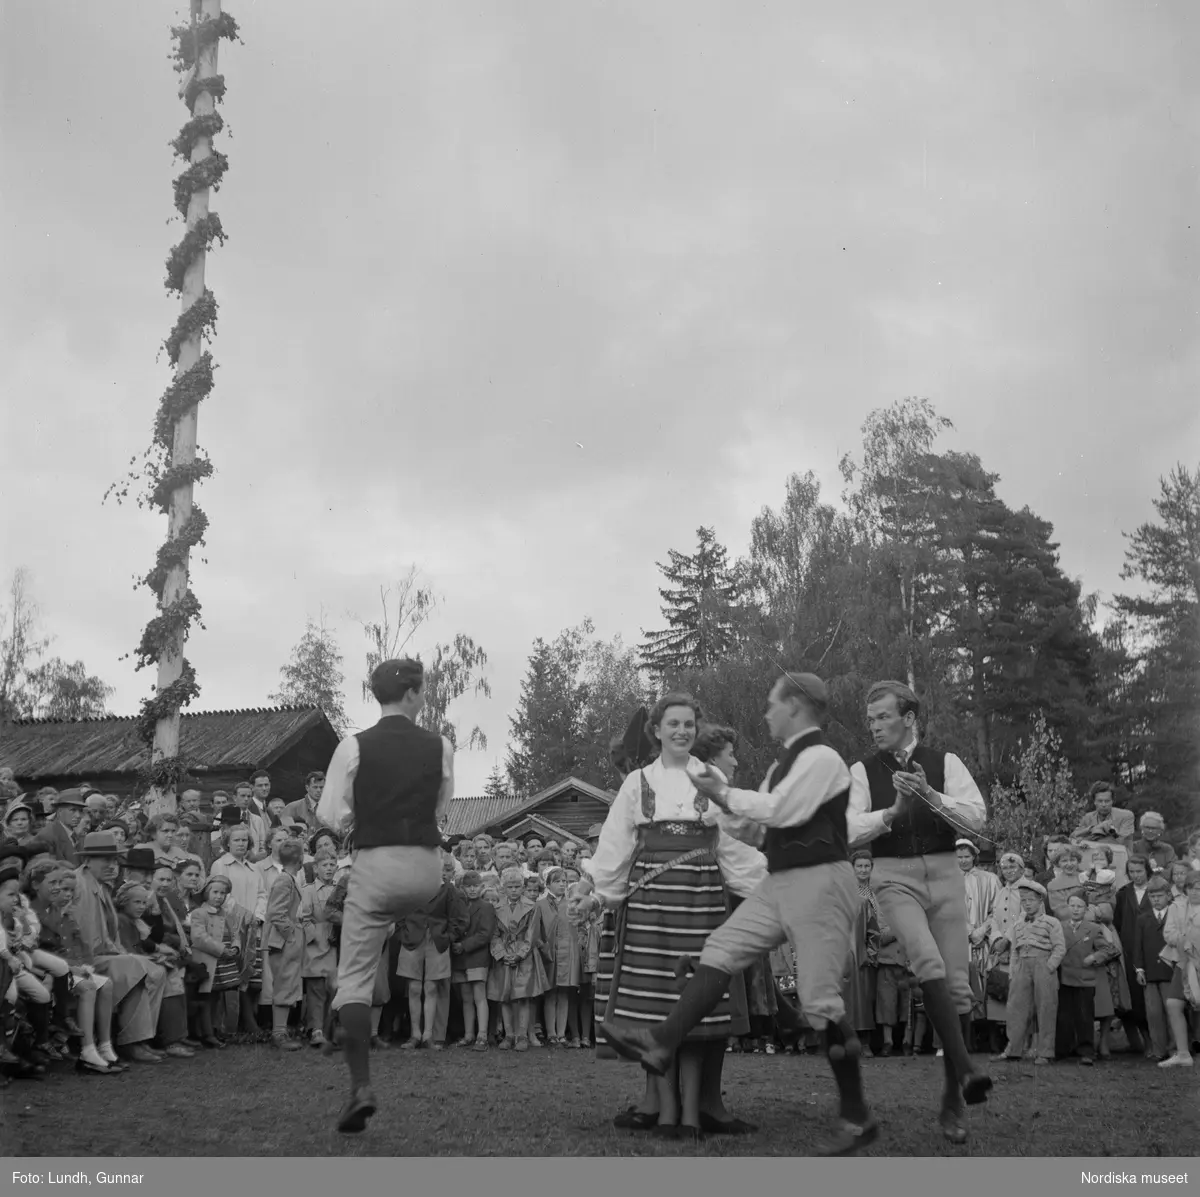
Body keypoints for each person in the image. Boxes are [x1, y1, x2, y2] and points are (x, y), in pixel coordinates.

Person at [601, 675, 878, 1155]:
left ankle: (856, 1114)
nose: (766, 712)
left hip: (819, 879)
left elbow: (781, 811)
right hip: (782, 879)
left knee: (819, 1002)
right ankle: (661, 1040)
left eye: (773, 705)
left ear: (796, 706)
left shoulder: (823, 758)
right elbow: (752, 830)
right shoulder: (778, 765)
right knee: (721, 949)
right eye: (675, 723)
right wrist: (722, 804)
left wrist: (721, 794)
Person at [589, 695, 767, 1143]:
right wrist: (602, 895)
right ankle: (666, 1108)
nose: (682, 731)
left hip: (702, 899)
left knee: (697, 998)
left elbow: (731, 843)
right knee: (656, 1002)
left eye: (689, 724)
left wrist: (768, 890)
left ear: (696, 729)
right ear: (657, 730)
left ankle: (690, 1110)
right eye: (673, 724)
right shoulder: (637, 781)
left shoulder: (712, 778)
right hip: (651, 900)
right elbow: (615, 842)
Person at [845, 679, 992, 1144]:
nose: (874, 727)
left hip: (947, 874)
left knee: (959, 990)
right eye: (870, 719)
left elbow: (977, 819)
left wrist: (931, 795)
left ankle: (954, 1097)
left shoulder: (945, 763)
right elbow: (847, 830)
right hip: (892, 875)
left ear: (909, 718)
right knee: (926, 960)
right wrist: (890, 813)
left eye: (883, 717)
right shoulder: (862, 770)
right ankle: (967, 1069)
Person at [316, 658, 452, 1133]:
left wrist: (364, 819)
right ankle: (347, 1016)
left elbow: (332, 814)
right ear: (413, 694)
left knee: (353, 976)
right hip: (426, 870)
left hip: (376, 864)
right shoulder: (441, 744)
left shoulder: (353, 745)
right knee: (397, 920)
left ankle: (359, 1083)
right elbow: (441, 807)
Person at [70, 831, 169, 1064]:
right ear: (87, 861)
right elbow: (77, 934)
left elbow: (109, 937)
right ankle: (131, 1041)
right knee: (139, 967)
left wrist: (122, 952)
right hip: (83, 959)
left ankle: (140, 1039)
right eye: (105, 859)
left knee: (154, 969)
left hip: (102, 955)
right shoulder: (78, 884)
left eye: (114, 860)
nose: (112, 865)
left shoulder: (101, 886)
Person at [991, 878, 1065, 1065]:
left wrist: (1049, 967)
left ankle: (1045, 1052)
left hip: (1043, 965)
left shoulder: (1052, 922)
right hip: (1022, 967)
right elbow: (1014, 950)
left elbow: (1059, 948)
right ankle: (1013, 1049)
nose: (1027, 904)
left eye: (1031, 900)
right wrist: (1013, 972)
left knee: (1045, 1007)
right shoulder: (1017, 925)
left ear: (1040, 901)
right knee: (1016, 1008)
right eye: (1023, 901)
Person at [396, 851, 466, 1050]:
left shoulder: (449, 890)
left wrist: (447, 937)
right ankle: (414, 1035)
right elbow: (398, 913)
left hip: (437, 942)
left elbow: (459, 920)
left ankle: (429, 1035)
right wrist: (404, 934)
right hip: (412, 941)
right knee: (414, 988)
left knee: (431, 988)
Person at [1113, 854, 1153, 1055]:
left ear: (1147, 870)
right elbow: (1118, 923)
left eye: (1140, 871)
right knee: (1134, 995)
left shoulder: (1156, 891)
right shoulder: (1123, 894)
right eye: (1132, 872)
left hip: (1153, 948)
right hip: (1129, 950)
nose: (1136, 875)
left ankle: (1160, 1040)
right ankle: (1143, 1040)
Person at [1158, 869, 1199, 1068]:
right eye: (1191, 888)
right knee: (1174, 1004)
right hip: (1184, 963)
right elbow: (1169, 934)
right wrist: (1185, 941)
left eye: (1199, 889)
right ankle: (1183, 1053)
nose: (1194, 892)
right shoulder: (1176, 907)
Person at [1133, 877, 1176, 1062]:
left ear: (1168, 895)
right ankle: (1158, 1049)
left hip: (1171, 971)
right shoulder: (1143, 919)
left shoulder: (1175, 916)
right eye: (1152, 896)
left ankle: (1175, 1048)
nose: (1156, 900)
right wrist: (1139, 969)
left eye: (1159, 896)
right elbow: (1138, 946)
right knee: (1153, 1012)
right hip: (1149, 972)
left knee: (1172, 1010)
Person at [299, 850, 340, 1048]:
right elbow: (303, 917)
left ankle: (329, 1030)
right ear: (315, 868)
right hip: (316, 945)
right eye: (325, 865)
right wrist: (313, 936)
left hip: (334, 944)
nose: (329, 868)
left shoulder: (340, 890)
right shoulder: (308, 890)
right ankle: (315, 1030)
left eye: (332, 865)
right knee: (316, 988)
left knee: (333, 988)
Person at [32, 789, 87, 867]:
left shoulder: (76, 834)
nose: (78, 815)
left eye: (80, 811)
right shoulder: (47, 835)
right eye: (73, 810)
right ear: (60, 812)